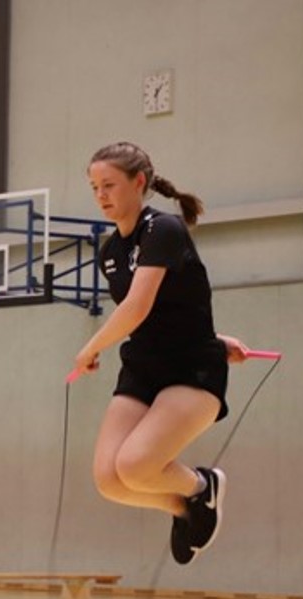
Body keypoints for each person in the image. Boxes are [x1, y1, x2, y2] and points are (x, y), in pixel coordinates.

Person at [73, 142, 250, 565]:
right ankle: (184, 507)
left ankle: (201, 486)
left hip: (191, 371)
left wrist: (90, 347)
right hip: (144, 368)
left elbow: (137, 307)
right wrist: (215, 333)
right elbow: (157, 313)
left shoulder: (165, 228)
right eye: (95, 187)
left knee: (134, 466)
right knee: (109, 480)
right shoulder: (110, 251)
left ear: (139, 183)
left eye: (110, 185)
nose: (101, 195)